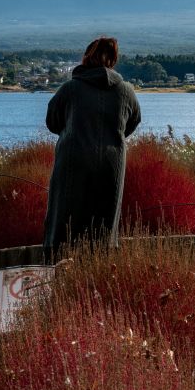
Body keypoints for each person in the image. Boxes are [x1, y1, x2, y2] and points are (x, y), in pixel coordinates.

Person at [43, 36, 142, 253]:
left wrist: (71, 132)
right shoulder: (126, 91)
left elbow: (52, 121)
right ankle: (100, 270)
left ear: (86, 57)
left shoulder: (70, 89)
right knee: (104, 225)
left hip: (73, 161)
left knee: (65, 221)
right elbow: (133, 121)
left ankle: (61, 269)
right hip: (112, 163)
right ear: (114, 60)